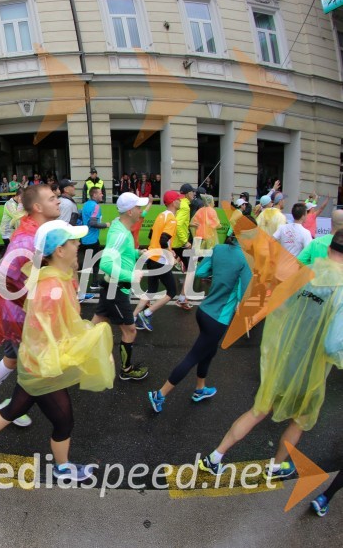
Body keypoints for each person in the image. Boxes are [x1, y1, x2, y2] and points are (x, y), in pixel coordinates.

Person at [0, 222, 114, 479]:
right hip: (43, 366)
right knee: (63, 421)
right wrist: (94, 342)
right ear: (59, 250)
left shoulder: (54, 278)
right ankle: (62, 468)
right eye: (73, 242)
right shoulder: (52, 288)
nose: (79, 245)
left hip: (37, 361)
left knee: (16, 407)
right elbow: (56, 332)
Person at [198, 230, 343, 480]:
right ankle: (275, 466)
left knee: (259, 409)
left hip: (284, 356)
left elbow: (281, 307)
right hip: (310, 367)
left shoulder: (305, 272)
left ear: (330, 246)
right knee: (301, 418)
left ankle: (215, 457)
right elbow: (332, 345)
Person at [0, 185, 61, 426]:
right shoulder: (29, 237)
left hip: (18, 309)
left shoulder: (36, 231)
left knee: (14, 360)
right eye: (53, 198)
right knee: (31, 364)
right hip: (19, 312)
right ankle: (9, 410)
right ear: (37, 206)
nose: (59, 201)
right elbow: (9, 277)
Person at [148, 230, 251, 413]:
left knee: (208, 353)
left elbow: (202, 271)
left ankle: (200, 389)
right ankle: (160, 394)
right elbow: (245, 295)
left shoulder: (218, 248)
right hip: (218, 319)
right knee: (194, 356)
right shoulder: (246, 259)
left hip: (203, 312)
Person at [93, 192, 149, 381]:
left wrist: (136, 252)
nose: (141, 211)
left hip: (112, 288)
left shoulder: (120, 227)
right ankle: (126, 370)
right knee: (130, 330)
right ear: (131, 211)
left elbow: (121, 252)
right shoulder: (120, 233)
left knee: (94, 327)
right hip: (116, 290)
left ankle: (72, 358)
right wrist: (131, 275)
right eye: (139, 208)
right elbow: (105, 263)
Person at [133, 190, 183, 332]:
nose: (180, 201)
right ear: (174, 202)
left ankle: (134, 316)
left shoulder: (161, 215)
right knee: (172, 291)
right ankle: (147, 313)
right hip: (160, 260)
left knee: (152, 290)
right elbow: (163, 240)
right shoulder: (172, 219)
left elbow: (151, 234)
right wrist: (170, 254)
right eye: (179, 199)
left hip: (151, 256)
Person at [80, 187, 109, 291]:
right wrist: (106, 224)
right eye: (100, 193)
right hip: (91, 240)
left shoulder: (86, 204)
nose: (102, 195)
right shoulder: (95, 206)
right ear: (94, 195)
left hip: (84, 238)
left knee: (89, 263)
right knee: (95, 263)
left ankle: (86, 285)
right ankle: (94, 283)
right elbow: (92, 223)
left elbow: (81, 218)